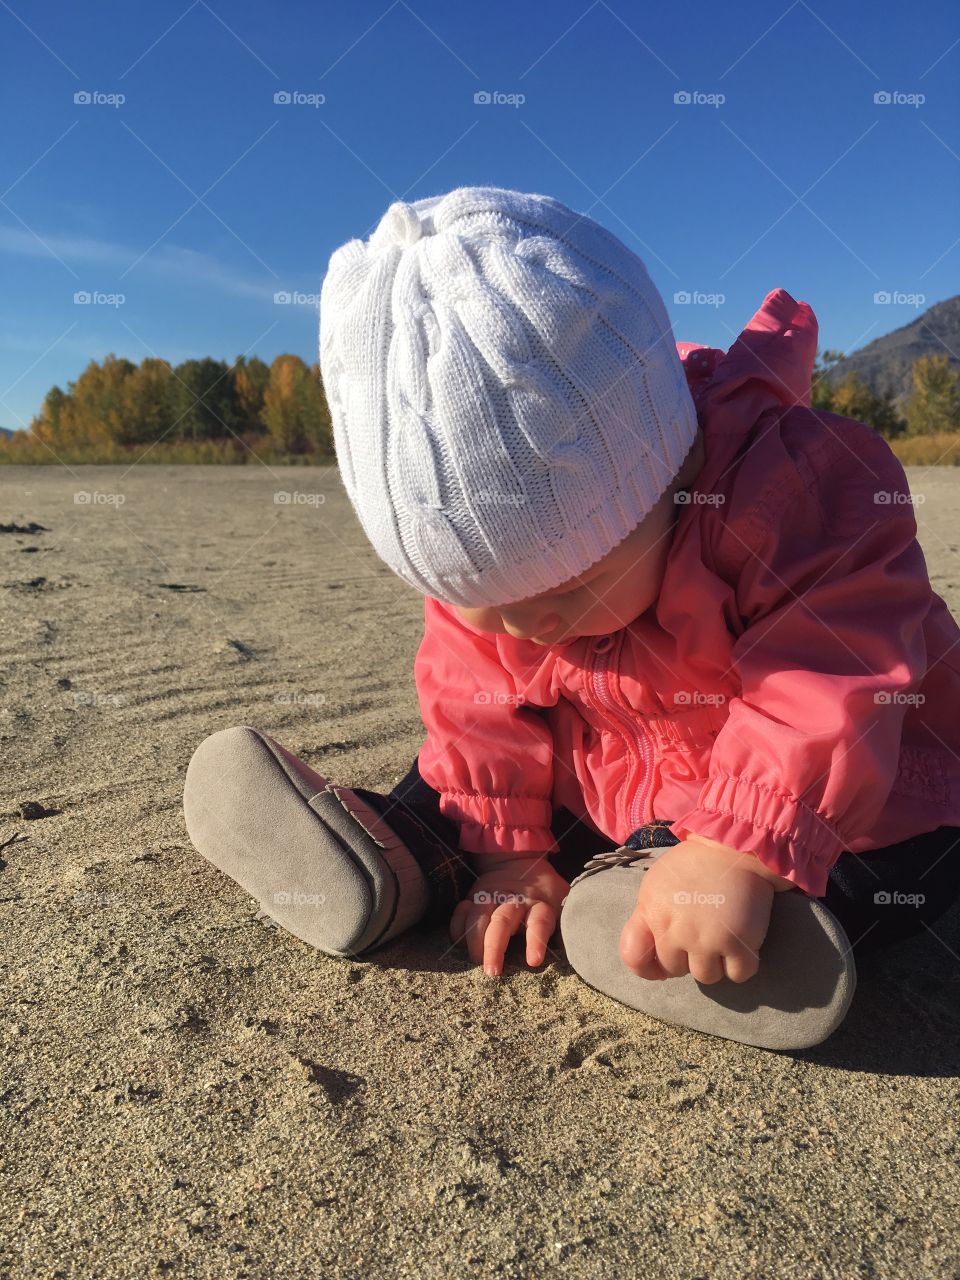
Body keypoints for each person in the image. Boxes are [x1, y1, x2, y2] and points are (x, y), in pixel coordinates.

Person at [183, 186, 960, 1050]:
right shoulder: (511, 601)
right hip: (617, 780)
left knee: (889, 859)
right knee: (461, 777)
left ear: (662, 480)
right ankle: (396, 860)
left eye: (556, 594)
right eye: (483, 602)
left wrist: (739, 844)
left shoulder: (799, 493)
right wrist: (506, 856)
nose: (524, 631)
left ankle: (729, 914)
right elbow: (474, 701)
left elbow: (831, 683)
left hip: (849, 790)